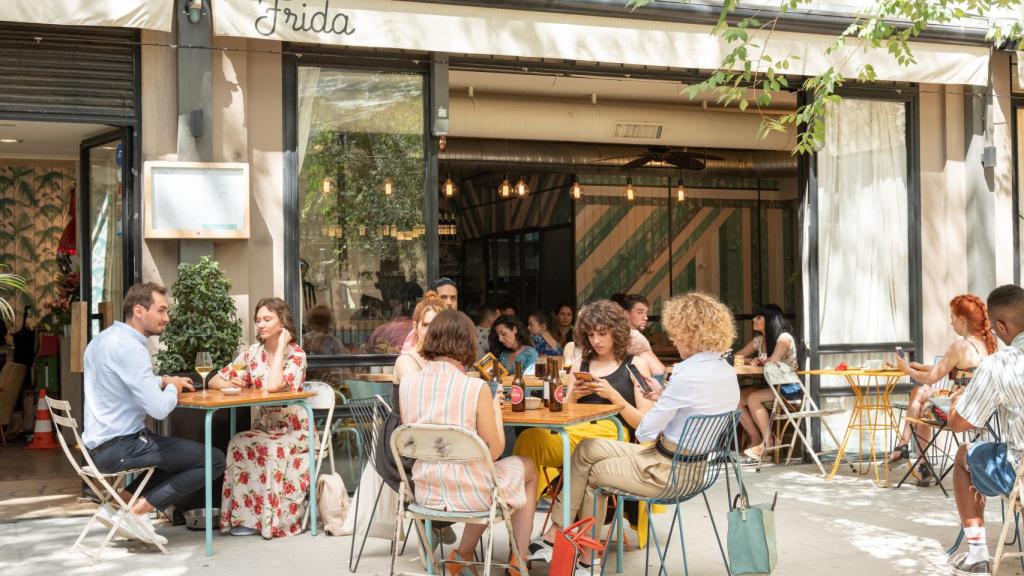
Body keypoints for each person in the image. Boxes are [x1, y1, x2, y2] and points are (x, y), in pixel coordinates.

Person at [528, 293, 740, 575]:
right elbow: (694, 407)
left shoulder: (686, 374)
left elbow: (646, 430)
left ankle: (587, 559)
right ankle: (557, 533)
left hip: (666, 469)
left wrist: (619, 397)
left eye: (676, 334)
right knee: (588, 449)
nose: (673, 340)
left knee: (595, 474)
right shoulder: (724, 370)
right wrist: (664, 395)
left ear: (690, 333)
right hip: (694, 466)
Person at [399, 310, 538, 576]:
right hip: (473, 495)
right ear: (467, 342)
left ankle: (463, 556)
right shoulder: (475, 389)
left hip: (426, 491)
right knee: (526, 468)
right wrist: (496, 412)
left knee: (483, 475)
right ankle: (518, 560)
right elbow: (494, 451)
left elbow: (413, 439)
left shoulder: (408, 383)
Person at [84, 282, 218, 546]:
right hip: (122, 446)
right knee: (212, 459)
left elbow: (125, 380)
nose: (166, 318)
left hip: (98, 446)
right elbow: (158, 409)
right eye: (161, 310)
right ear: (138, 310)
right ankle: (135, 513)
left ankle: (117, 504)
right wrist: (173, 387)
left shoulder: (103, 339)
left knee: (178, 457)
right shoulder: (132, 348)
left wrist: (161, 379)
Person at [515, 300, 653, 504]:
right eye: (591, 334)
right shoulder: (581, 364)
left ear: (617, 332)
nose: (596, 340)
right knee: (530, 437)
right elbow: (562, 414)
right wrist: (572, 397)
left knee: (586, 447)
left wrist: (614, 397)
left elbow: (645, 424)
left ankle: (555, 514)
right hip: (574, 433)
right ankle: (521, 507)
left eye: (602, 333)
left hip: (613, 436)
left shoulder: (636, 365)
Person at [210, 298, 310, 539]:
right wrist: (232, 382)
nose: (261, 325)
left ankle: (273, 520)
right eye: (258, 320)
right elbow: (214, 379)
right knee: (238, 442)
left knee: (272, 448)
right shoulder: (253, 353)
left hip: (294, 431)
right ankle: (247, 518)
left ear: (282, 322)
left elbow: (275, 385)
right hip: (265, 426)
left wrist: (283, 344)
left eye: (267, 319)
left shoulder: (296, 354)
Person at [947, 285, 1024, 574]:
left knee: (964, 454)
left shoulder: (1000, 364)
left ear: (1002, 327)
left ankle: (977, 554)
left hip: (1020, 469)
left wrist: (957, 403)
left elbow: (959, 423)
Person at [891, 295, 995, 474]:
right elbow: (960, 370)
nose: (950, 322)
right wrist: (919, 366)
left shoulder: (960, 346)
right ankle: (912, 455)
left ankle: (905, 448)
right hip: (983, 412)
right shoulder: (988, 344)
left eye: (952, 317)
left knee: (920, 395)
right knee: (922, 393)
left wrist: (906, 369)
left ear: (962, 319)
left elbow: (931, 378)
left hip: (958, 414)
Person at [735, 304, 798, 461]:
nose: (754, 320)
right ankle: (756, 439)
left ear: (770, 320)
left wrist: (759, 361)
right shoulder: (760, 340)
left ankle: (768, 443)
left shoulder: (784, 338)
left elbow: (773, 361)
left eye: (758, 317)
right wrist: (753, 360)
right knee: (736, 399)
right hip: (772, 387)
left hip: (789, 390)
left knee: (753, 398)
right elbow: (738, 357)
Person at [393, 298, 447, 387]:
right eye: (426, 325)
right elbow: (419, 393)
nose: (431, 331)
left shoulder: (446, 359)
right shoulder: (406, 360)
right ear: (415, 327)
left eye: (437, 325)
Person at [619, 294, 667, 380]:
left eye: (646, 313)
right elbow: (659, 372)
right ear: (626, 314)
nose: (645, 317)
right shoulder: (634, 336)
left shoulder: (617, 334)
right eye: (640, 312)